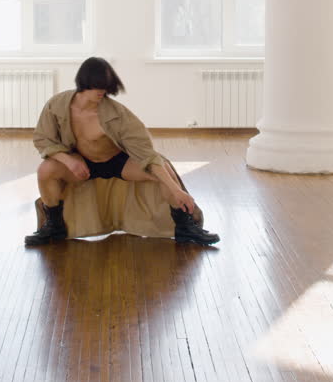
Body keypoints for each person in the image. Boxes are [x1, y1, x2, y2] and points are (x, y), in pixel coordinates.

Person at [25, 57, 220, 247]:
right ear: (84, 83)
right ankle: (54, 227)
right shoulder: (56, 106)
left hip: (117, 162)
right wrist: (68, 161)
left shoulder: (117, 114)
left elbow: (147, 154)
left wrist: (176, 190)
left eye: (106, 87)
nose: (102, 92)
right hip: (82, 163)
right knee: (45, 170)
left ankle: (184, 228)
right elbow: (43, 139)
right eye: (98, 86)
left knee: (163, 169)